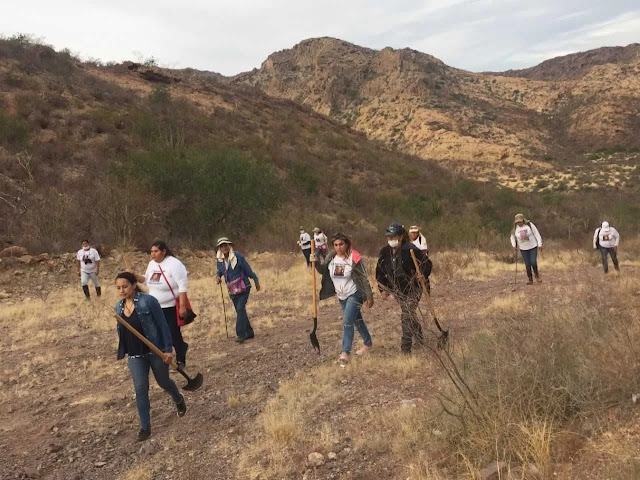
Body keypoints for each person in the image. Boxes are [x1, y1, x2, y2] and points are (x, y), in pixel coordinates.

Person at [114, 272, 186, 442]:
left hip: (156, 351)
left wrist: (168, 349)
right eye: (118, 288)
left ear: (133, 285)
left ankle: (178, 398)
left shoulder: (149, 301)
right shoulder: (118, 307)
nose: (122, 290)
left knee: (163, 382)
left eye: (125, 286)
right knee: (140, 389)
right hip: (135, 355)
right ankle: (145, 428)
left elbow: (163, 325)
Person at [315, 233, 374, 364]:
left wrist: (369, 296)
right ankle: (368, 343)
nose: (338, 247)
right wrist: (314, 261)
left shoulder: (354, 257)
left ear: (346, 244)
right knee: (357, 320)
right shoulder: (331, 257)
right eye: (335, 245)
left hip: (354, 293)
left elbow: (363, 278)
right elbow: (323, 270)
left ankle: (345, 353)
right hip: (341, 295)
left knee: (347, 322)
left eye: (341, 244)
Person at [376, 223, 432, 354]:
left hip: (414, 287)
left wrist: (422, 274)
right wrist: (382, 289)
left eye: (393, 237)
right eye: (389, 237)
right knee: (409, 313)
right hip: (397, 289)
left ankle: (405, 349)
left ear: (401, 236)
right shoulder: (385, 252)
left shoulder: (411, 249)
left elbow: (427, 264)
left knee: (406, 314)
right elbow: (379, 271)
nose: (391, 240)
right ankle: (419, 338)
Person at [135, 241, 190, 370]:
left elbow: (182, 287)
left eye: (156, 251)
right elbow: (146, 279)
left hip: (170, 306)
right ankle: (164, 356)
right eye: (151, 251)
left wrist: (182, 306)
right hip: (154, 306)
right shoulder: (151, 264)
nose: (153, 254)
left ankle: (181, 357)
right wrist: (135, 276)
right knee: (158, 332)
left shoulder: (174, 264)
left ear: (164, 251)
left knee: (172, 333)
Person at [215, 237, 261, 343]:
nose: (224, 247)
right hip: (232, 289)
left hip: (244, 286)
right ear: (220, 248)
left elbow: (247, 269)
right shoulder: (220, 260)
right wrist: (218, 276)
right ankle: (249, 332)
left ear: (229, 246)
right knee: (240, 311)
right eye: (222, 246)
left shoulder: (238, 256)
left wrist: (256, 280)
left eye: (226, 245)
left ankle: (240, 334)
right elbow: (220, 271)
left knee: (240, 309)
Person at [510, 214, 543, 284]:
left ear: (523, 220)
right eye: (517, 222)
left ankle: (537, 276)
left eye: (520, 222)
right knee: (527, 264)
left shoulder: (529, 225)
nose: (519, 223)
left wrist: (540, 244)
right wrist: (514, 245)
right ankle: (530, 279)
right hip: (523, 248)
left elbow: (537, 234)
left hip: (532, 246)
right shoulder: (515, 228)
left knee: (533, 262)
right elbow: (512, 237)